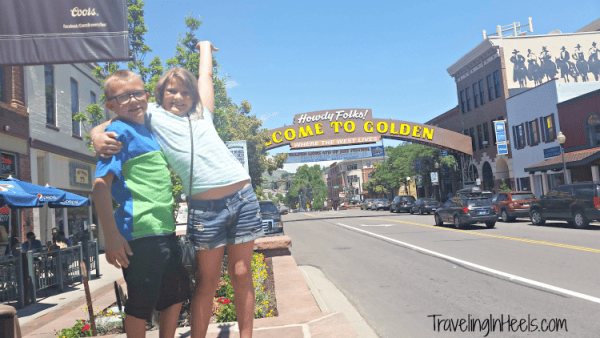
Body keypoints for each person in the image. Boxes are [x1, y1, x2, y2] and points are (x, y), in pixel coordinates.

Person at [91, 41, 263, 338]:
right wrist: (95, 135)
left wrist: (205, 49)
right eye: (171, 91)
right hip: (205, 209)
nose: (179, 96)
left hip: (243, 198)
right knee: (207, 281)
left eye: (185, 91)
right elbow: (113, 120)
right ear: (157, 96)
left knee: (241, 273)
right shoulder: (151, 116)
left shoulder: (202, 113)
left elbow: (205, 78)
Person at [92, 70, 190, 338]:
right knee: (140, 304)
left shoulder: (147, 130)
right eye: (124, 96)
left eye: (138, 93)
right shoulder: (118, 132)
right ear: (111, 105)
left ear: (148, 96)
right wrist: (111, 236)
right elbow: (100, 188)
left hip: (164, 231)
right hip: (140, 234)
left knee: (175, 295)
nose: (134, 100)